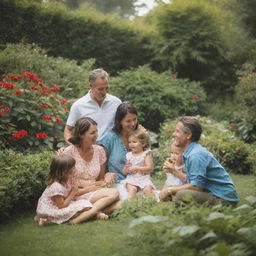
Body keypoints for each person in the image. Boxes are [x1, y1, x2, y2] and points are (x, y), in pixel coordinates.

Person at [160, 116, 239, 205]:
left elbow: (197, 187)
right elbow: (194, 181)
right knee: (176, 191)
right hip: (211, 193)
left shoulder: (195, 155)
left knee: (181, 194)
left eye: (177, 131)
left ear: (188, 135)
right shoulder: (190, 152)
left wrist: (170, 190)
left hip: (223, 199)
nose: (174, 134)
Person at [59, 117, 120, 224]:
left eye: (96, 131)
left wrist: (106, 178)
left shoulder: (100, 151)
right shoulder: (68, 153)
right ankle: (83, 216)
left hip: (93, 190)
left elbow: (101, 179)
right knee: (114, 193)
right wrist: (87, 188)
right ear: (81, 135)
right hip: (75, 194)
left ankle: (86, 213)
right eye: (92, 132)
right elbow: (65, 184)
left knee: (121, 203)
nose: (96, 135)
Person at [64, 68, 121, 143]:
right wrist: (73, 148)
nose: (104, 92)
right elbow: (68, 130)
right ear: (90, 86)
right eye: (100, 89)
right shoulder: (78, 105)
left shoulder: (116, 102)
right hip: (89, 150)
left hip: (113, 149)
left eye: (106, 88)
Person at [98, 102, 142, 200]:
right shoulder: (110, 138)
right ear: (119, 121)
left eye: (134, 119)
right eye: (128, 121)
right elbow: (101, 163)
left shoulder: (139, 136)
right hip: (117, 183)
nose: (133, 124)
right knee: (128, 199)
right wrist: (105, 176)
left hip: (138, 182)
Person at [35, 155, 93, 226]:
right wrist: (73, 193)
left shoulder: (67, 180)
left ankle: (48, 218)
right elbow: (61, 206)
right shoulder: (56, 186)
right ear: (64, 171)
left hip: (59, 205)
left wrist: (88, 189)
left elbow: (75, 191)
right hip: (50, 209)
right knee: (78, 209)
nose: (75, 168)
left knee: (84, 204)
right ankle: (48, 221)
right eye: (73, 167)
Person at [121, 129, 156, 200]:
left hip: (144, 178)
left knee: (148, 190)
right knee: (132, 190)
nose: (131, 144)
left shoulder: (146, 154)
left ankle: (152, 205)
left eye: (134, 142)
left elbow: (150, 168)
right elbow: (124, 172)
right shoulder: (129, 155)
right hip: (132, 178)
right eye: (129, 142)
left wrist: (137, 168)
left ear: (143, 144)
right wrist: (126, 169)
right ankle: (129, 206)